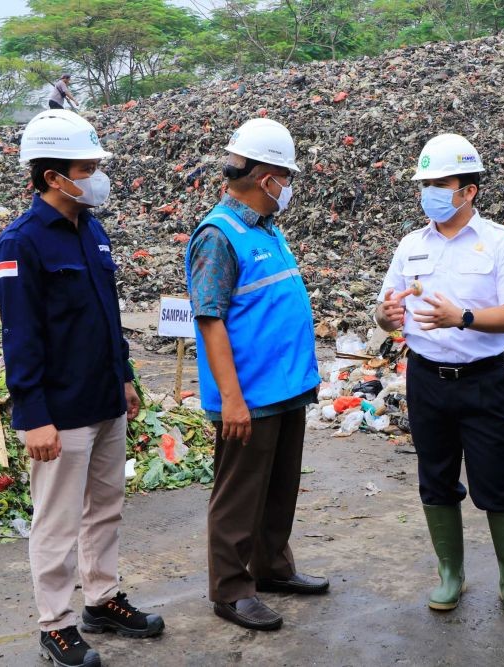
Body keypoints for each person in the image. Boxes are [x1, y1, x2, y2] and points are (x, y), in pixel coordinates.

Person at [0, 109, 164, 667]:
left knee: (106, 507)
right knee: (59, 520)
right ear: (51, 177)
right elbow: (21, 338)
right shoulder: (21, 244)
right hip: (60, 411)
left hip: (105, 398)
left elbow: (108, 316)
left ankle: (102, 598)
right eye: (86, 167)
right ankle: (56, 624)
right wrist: (33, 414)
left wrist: (126, 378)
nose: (96, 176)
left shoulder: (91, 228)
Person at [374, 133, 504, 618]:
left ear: (469, 190)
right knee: (435, 478)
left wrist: (461, 317)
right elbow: (385, 314)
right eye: (425, 184)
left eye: (440, 184)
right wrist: (386, 315)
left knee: (496, 482)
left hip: (482, 379)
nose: (430, 194)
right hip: (426, 379)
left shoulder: (500, 243)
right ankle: (452, 574)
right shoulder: (410, 245)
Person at [185, 117, 326, 632]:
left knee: (279, 488)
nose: (287, 187)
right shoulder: (219, 236)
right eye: (284, 177)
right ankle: (230, 589)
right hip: (249, 395)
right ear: (265, 175)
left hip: (286, 388)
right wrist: (231, 399)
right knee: (239, 496)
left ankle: (271, 567)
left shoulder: (265, 229)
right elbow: (210, 319)